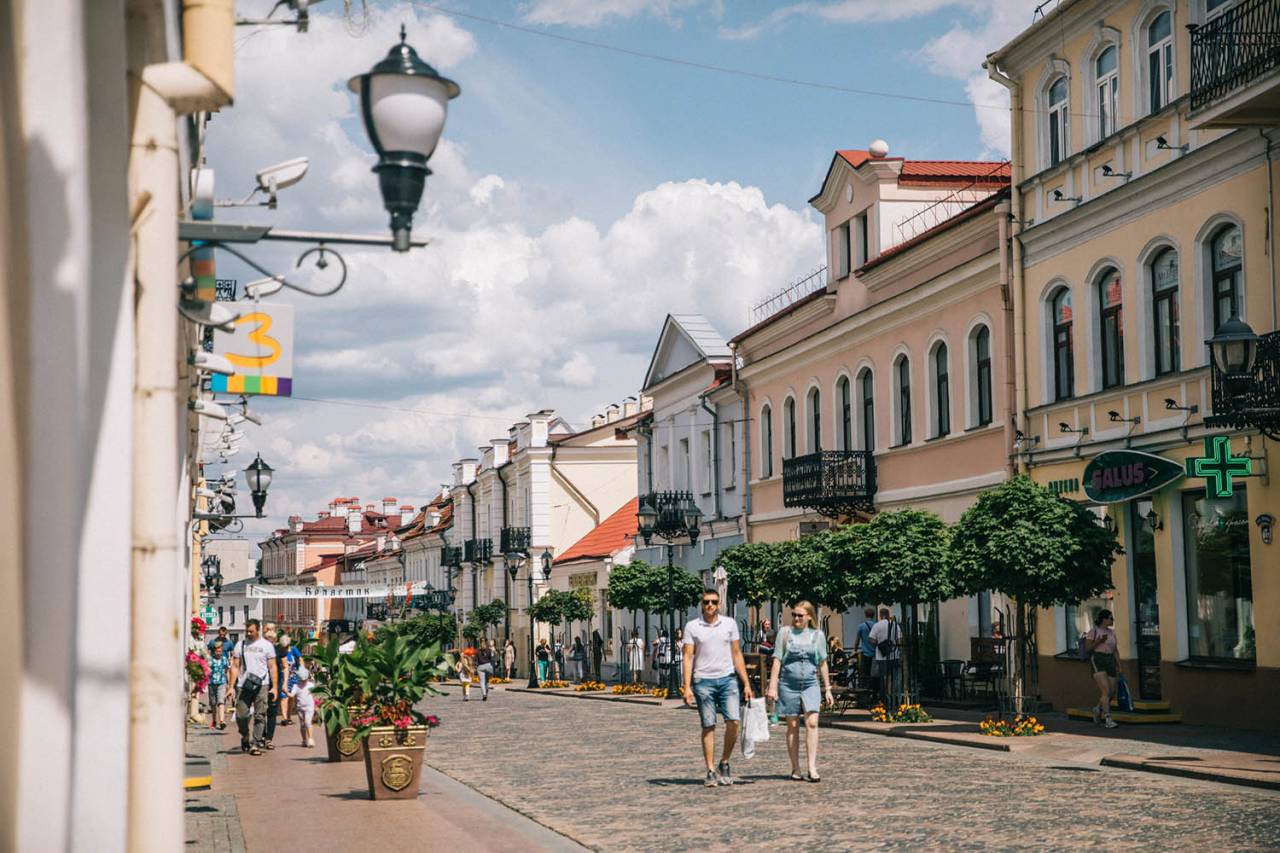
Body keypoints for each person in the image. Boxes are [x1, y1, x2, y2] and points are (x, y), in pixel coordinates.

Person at [682, 589, 754, 787]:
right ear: (701, 604)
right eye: (706, 602)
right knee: (709, 725)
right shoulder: (692, 627)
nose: (710, 605)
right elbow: (688, 657)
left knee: (734, 721)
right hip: (703, 680)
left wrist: (746, 683)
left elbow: (737, 653)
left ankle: (724, 761)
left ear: (719, 604)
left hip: (728, 678)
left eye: (714, 602)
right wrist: (687, 686)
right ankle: (711, 770)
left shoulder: (729, 624)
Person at [767, 601, 834, 782]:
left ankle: (812, 767)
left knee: (812, 722)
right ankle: (796, 767)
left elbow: (822, 662)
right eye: (794, 614)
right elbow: (777, 660)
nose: (796, 618)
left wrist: (827, 688)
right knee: (793, 725)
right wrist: (773, 685)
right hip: (788, 684)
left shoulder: (817, 635)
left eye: (800, 615)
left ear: (809, 617)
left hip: (811, 683)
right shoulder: (785, 633)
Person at [228, 619, 277, 756]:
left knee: (260, 715)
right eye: (247, 631)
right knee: (241, 715)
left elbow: (272, 667)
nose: (248, 634)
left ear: (258, 630)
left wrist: (275, 687)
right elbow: (235, 666)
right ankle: (244, 735)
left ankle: (255, 744)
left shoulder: (267, 646)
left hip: (262, 684)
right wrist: (231, 686)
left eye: (251, 631)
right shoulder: (240, 645)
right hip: (243, 685)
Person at [1085, 609, 1120, 729]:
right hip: (1098, 659)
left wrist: (1119, 665)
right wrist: (1099, 641)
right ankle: (1108, 719)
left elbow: (1115, 649)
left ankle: (1097, 708)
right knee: (1106, 691)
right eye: (1110, 618)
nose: (1112, 620)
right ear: (1104, 619)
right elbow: (1087, 648)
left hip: (1110, 659)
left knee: (1112, 692)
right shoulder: (1093, 631)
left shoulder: (1112, 632)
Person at [867, 608, 901, 707]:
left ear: (880, 615)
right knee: (894, 679)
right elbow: (900, 640)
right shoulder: (895, 625)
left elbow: (871, 639)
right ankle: (895, 700)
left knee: (884, 679)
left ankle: (884, 700)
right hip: (894, 655)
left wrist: (879, 645)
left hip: (881, 657)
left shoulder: (877, 625)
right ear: (888, 614)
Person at [259, 623, 284, 749]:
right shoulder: (261, 650)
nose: (269, 643)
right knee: (261, 711)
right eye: (267, 640)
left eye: (271, 641)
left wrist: (283, 685)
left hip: (275, 684)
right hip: (263, 684)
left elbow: (284, 668)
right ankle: (261, 736)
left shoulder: (279, 651)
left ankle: (269, 738)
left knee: (272, 712)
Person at [277, 633, 301, 725]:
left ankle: (289, 716)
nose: (285, 648)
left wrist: (303, 673)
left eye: (286, 646)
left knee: (291, 697)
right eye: (284, 646)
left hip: (294, 676)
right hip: (283, 676)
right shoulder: (279, 650)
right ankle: (284, 718)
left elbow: (300, 660)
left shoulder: (294, 649)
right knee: (284, 697)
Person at [290, 666, 316, 747]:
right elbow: (292, 695)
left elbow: (315, 694)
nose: (304, 681)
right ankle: (304, 740)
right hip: (300, 707)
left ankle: (311, 739)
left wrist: (317, 705)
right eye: (302, 679)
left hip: (309, 706)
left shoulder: (311, 685)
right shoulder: (296, 686)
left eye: (305, 679)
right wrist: (286, 692)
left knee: (308, 722)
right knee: (302, 725)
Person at [207, 639, 230, 731]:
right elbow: (206, 671)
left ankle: (222, 721)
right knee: (213, 703)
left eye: (220, 651)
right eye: (216, 651)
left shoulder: (224, 659)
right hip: (211, 683)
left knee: (221, 702)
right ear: (214, 651)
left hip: (222, 682)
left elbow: (227, 671)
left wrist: (228, 683)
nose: (218, 653)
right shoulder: (210, 660)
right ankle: (214, 720)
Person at [854, 607, 877, 689]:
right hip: (875, 654)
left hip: (865, 653)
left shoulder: (861, 626)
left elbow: (857, 640)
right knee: (875, 674)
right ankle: (875, 691)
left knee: (866, 673)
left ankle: (866, 689)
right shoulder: (876, 625)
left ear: (865, 615)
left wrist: (855, 650)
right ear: (873, 615)